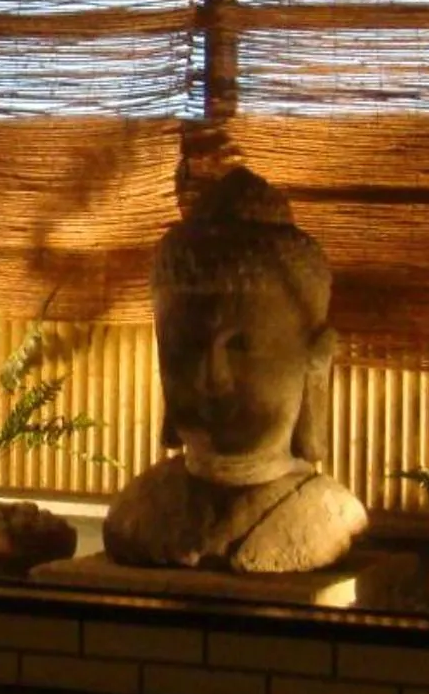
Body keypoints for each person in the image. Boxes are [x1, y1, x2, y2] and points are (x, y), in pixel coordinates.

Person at [102, 166, 367, 574]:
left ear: (314, 365)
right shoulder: (137, 514)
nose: (213, 377)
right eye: (186, 346)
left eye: (241, 347)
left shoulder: (327, 516)